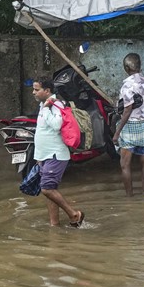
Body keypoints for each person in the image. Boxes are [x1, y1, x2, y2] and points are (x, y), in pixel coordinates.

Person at [31, 77, 85, 228]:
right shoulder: (44, 105)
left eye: (36, 89)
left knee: (47, 188)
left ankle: (74, 214)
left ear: (47, 91)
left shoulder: (56, 104)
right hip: (46, 155)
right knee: (51, 190)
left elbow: (56, 125)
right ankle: (54, 225)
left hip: (56, 154)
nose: (33, 92)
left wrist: (48, 108)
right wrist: (39, 157)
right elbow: (42, 132)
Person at [112, 53, 144, 196]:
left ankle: (129, 197)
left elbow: (127, 111)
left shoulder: (127, 86)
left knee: (125, 165)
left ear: (126, 67)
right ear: (140, 66)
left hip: (130, 128)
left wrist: (117, 133)